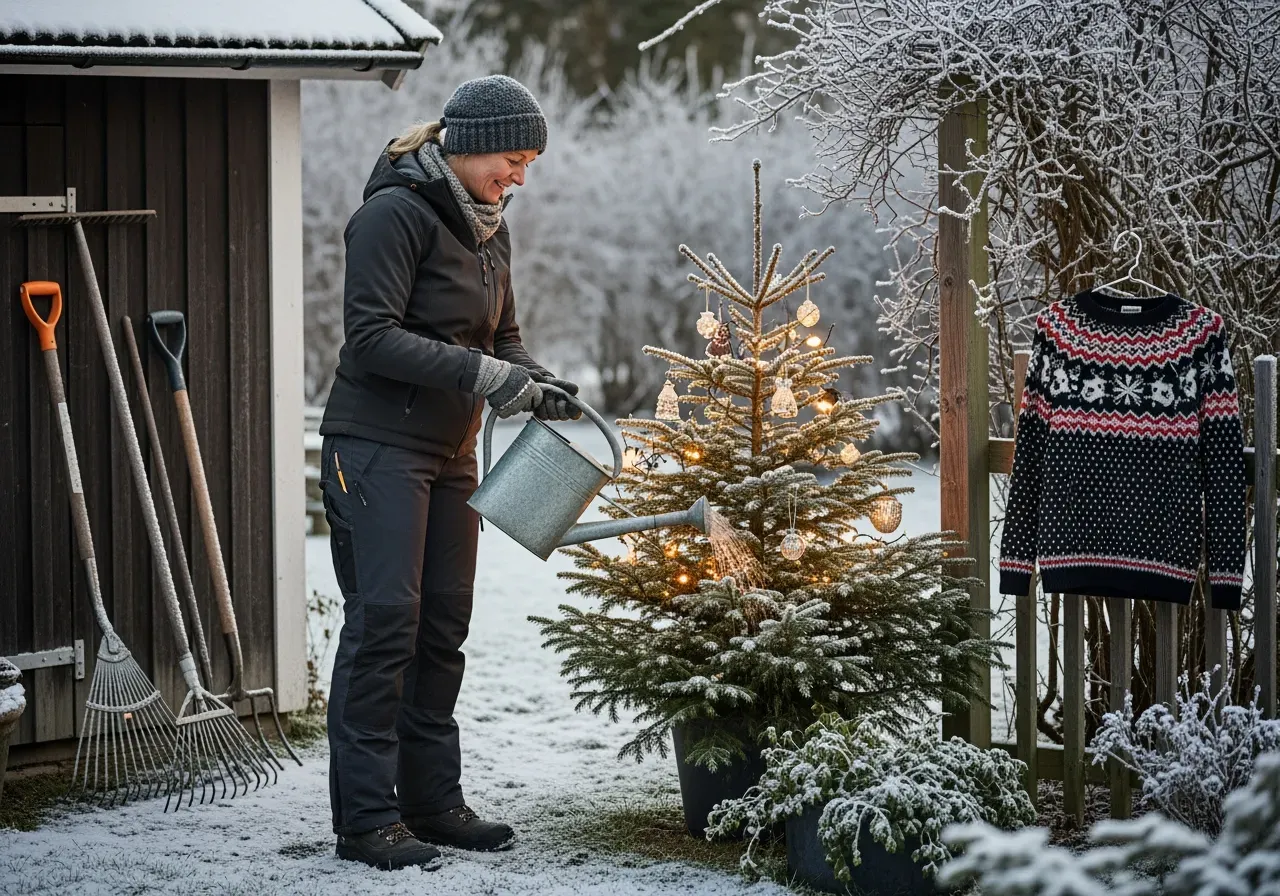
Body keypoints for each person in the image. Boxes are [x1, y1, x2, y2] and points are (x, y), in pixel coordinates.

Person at [317, 75, 581, 872]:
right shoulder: (393, 215)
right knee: (385, 624)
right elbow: (370, 337)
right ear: (467, 147)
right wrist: (484, 376)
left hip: (449, 453)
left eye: (530, 162)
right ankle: (366, 819)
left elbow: (503, 334)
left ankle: (431, 803)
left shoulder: (490, 228)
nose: (520, 176)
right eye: (511, 157)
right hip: (374, 445)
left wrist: (532, 379)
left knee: (442, 626)